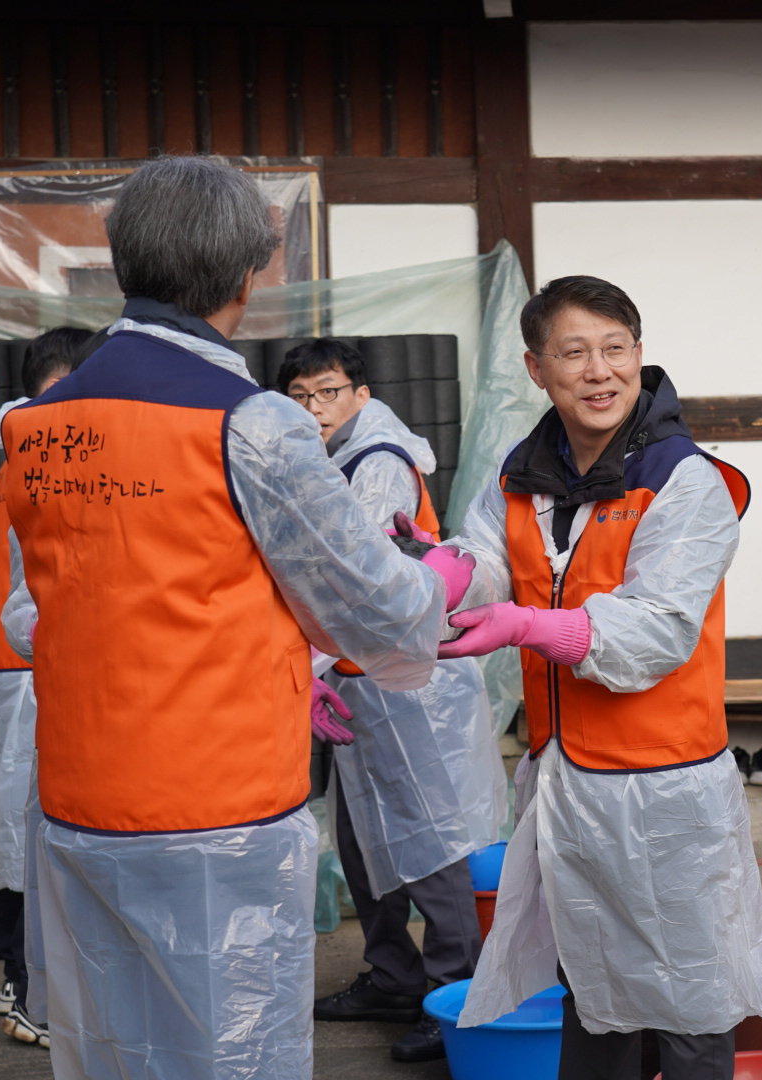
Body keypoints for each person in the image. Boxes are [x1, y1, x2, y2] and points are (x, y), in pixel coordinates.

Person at [0, 156, 467, 1080]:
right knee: (231, 1056)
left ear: (124, 263)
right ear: (252, 275)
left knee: (115, 1053)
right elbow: (374, 615)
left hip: (81, 798)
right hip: (220, 810)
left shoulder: (37, 425)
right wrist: (442, 576)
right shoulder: (250, 423)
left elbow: (28, 616)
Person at [444, 275, 762, 1080]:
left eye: (615, 349)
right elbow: (490, 560)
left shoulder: (685, 479)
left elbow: (659, 630)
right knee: (590, 986)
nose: (598, 372)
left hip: (665, 789)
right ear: (537, 369)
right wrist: (443, 573)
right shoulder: (521, 471)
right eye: (573, 354)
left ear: (640, 355)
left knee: (689, 999)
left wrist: (530, 626)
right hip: (566, 778)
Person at [278, 338, 506, 1064]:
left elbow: (353, 580)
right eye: (300, 396)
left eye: (328, 392)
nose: (314, 409)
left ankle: (454, 996)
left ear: (361, 395)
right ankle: (392, 975)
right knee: (363, 839)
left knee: (425, 843)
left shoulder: (377, 464)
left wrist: (289, 669)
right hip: (359, 681)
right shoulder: (324, 462)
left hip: (409, 687)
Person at [0, 325, 91, 1049]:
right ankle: (23, 985)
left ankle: (27, 983)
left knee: (24, 839)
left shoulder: (19, 458)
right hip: (21, 678)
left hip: (25, 675)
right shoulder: (35, 465)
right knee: (21, 844)